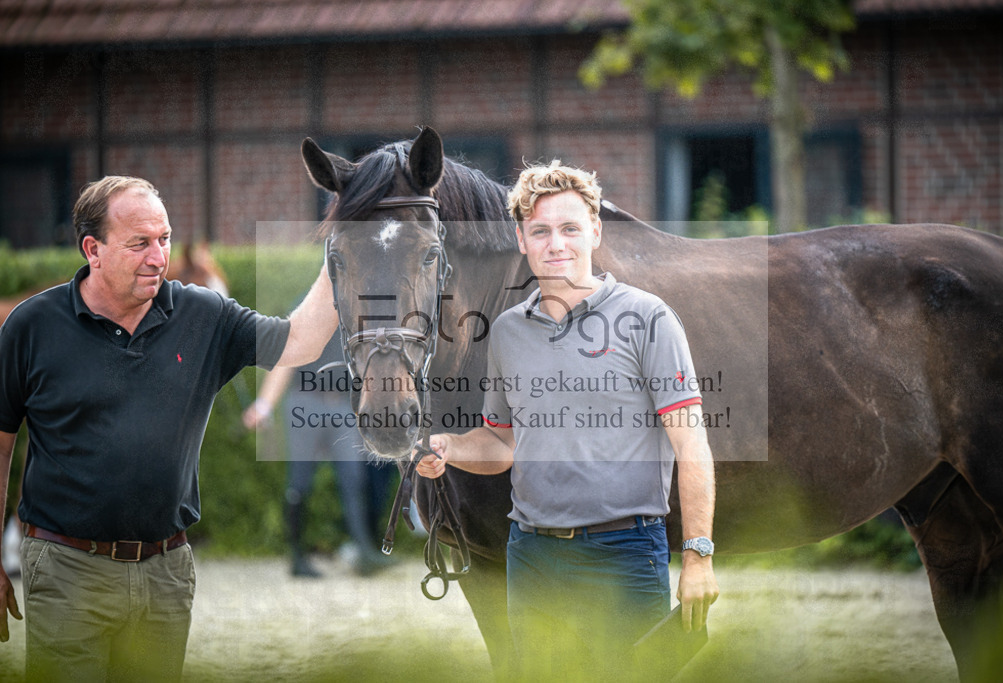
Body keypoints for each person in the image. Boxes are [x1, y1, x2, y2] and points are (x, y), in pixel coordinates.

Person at [0, 176, 338, 681]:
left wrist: (341, 255)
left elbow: (301, 342)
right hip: (68, 568)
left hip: (166, 573)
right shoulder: (31, 326)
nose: (159, 257)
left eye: (164, 239)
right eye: (139, 243)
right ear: (93, 249)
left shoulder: (204, 316)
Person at [416, 161, 719, 680]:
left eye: (570, 228)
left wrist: (698, 556)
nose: (556, 244)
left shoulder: (649, 318)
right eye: (540, 231)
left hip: (626, 552)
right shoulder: (507, 332)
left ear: (595, 231)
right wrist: (450, 447)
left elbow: (691, 446)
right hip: (531, 555)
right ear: (521, 240)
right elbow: (502, 443)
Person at [242, 355, 392, 578]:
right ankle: (297, 557)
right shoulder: (303, 327)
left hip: (343, 404)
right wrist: (264, 404)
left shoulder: (352, 330)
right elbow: (286, 361)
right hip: (305, 402)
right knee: (299, 482)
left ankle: (364, 552)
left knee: (354, 478)